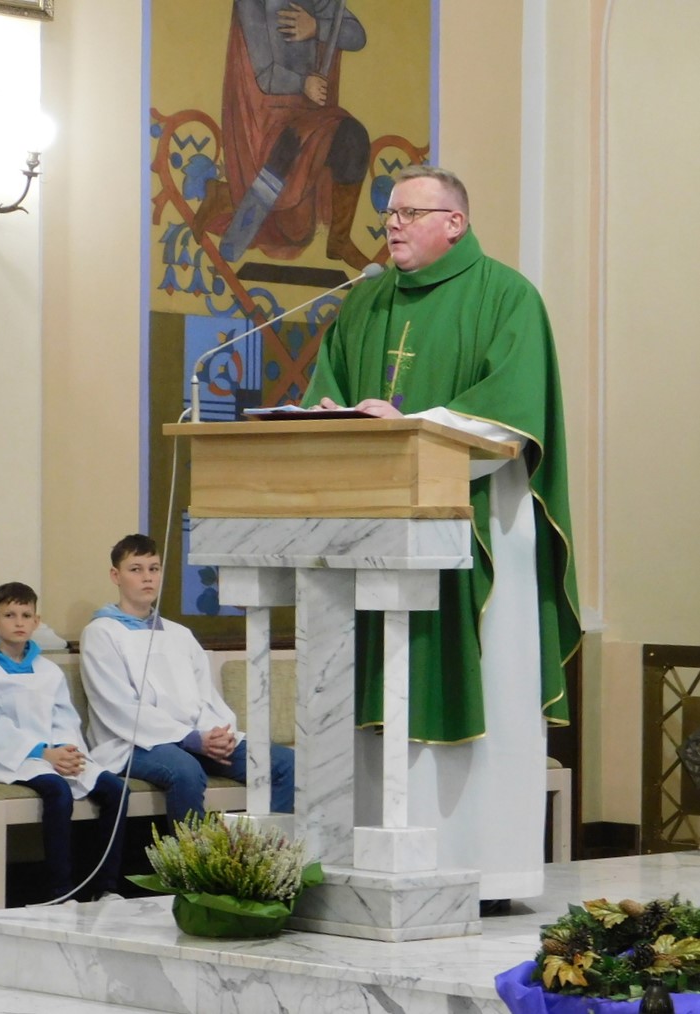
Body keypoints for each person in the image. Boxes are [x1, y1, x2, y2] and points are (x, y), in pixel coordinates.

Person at [302, 165, 580, 903]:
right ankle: (370, 866)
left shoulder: (506, 296)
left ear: (454, 223)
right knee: (382, 685)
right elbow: (328, 392)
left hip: (479, 525)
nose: (391, 224)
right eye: (389, 213)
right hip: (378, 535)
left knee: (489, 678)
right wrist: (335, 420)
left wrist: (413, 427)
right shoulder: (364, 301)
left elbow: (511, 417)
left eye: (409, 212)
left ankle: (485, 870)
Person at [80, 534, 295, 828]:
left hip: (198, 739)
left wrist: (218, 735)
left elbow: (205, 696)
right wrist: (191, 739)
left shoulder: (179, 634)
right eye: (136, 569)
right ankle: (191, 857)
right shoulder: (102, 632)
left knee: (283, 764)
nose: (147, 577)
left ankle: (264, 851)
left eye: (154, 569)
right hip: (133, 743)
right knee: (185, 771)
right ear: (115, 576)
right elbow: (119, 707)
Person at [0, 582, 128, 903]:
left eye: (26, 615)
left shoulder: (48, 671)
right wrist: (42, 752)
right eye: (9, 615)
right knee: (57, 791)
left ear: (37, 621)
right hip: (10, 759)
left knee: (116, 790)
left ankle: (106, 886)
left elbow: (64, 717)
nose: (19, 622)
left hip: (55, 755)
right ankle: (60, 891)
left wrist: (67, 751)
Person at [194, 0, 371, 268]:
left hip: (310, 111)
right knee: (288, 179)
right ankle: (229, 201)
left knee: (353, 139)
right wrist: (302, 83)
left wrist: (316, 27)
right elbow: (264, 73)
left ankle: (339, 240)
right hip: (266, 117)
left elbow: (357, 36)